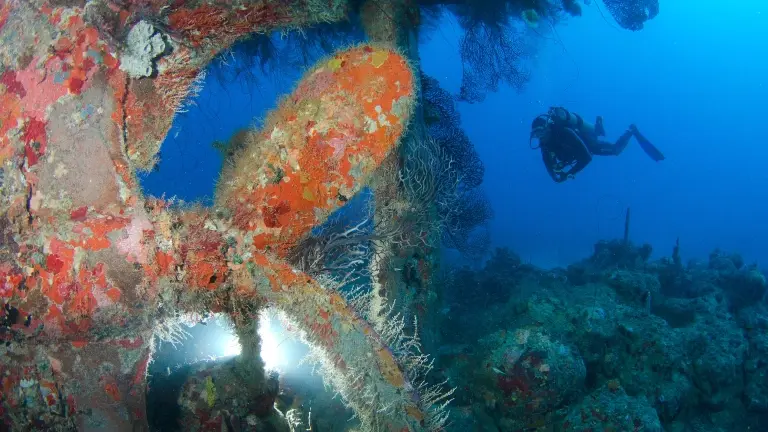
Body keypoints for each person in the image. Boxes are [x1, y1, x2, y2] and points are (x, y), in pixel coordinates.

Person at [530, 106, 664, 183]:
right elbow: (548, 164)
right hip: (575, 153)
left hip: (588, 144)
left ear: (548, 127)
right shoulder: (545, 145)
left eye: (541, 132)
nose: (540, 137)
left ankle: (631, 130)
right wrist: (555, 177)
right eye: (536, 134)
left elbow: (587, 157)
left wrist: (568, 173)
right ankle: (598, 126)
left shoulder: (565, 133)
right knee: (598, 132)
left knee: (615, 150)